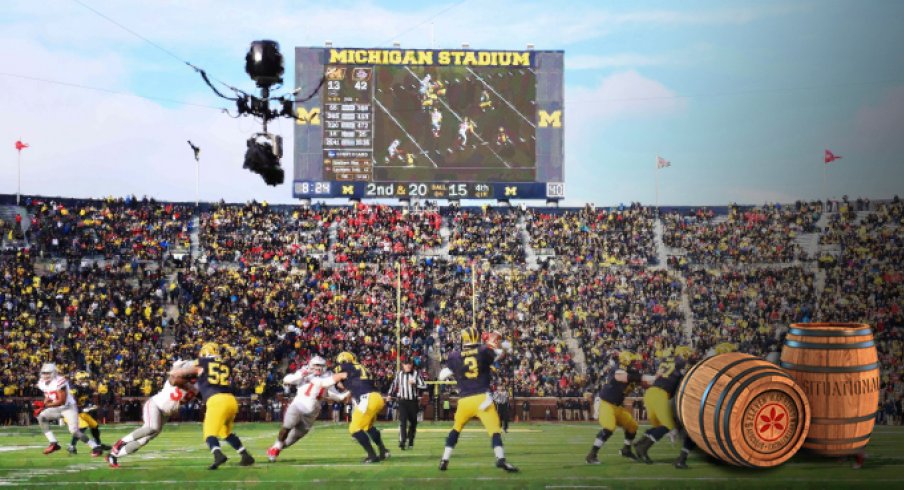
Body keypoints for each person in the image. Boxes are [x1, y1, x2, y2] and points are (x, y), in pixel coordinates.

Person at [437, 327, 518, 472]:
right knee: (494, 430)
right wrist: (503, 346)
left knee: (456, 429)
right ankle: (500, 459)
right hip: (482, 398)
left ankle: (444, 459)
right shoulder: (483, 351)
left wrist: (456, 371)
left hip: (465, 400)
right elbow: (500, 354)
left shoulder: (455, 356)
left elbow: (442, 375)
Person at [171, 342, 254, 469]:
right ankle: (245, 455)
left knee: (209, 432)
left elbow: (180, 374)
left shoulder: (202, 362)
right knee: (225, 432)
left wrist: (175, 372)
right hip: (231, 400)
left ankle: (218, 455)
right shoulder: (225, 363)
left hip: (216, 400)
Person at [105, 360, 199, 468]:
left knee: (144, 440)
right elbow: (174, 375)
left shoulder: (197, 386)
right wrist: (186, 368)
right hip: (155, 405)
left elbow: (202, 393)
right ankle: (120, 443)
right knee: (151, 427)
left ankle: (113, 456)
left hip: (166, 413)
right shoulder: (175, 379)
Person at [267, 356, 349, 462]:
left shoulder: (328, 377)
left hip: (311, 414)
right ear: (311, 365)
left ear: (325, 366)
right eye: (316, 365)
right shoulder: (305, 372)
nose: (318, 368)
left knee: (291, 440)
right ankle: (276, 447)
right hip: (298, 406)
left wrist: (349, 391)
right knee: (287, 426)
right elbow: (287, 379)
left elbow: (338, 396)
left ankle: (275, 448)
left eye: (320, 366)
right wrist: (302, 374)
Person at [633, 347, 693, 465]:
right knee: (668, 425)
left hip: (651, 393)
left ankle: (641, 442)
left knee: (660, 426)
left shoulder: (666, 360)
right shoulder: (682, 363)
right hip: (661, 394)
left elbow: (661, 375)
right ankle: (643, 447)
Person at [585, 352, 642, 464]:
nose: (637, 364)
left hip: (616, 405)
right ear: (626, 361)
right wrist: (641, 377)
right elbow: (623, 377)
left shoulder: (632, 372)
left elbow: (643, 381)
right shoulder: (620, 369)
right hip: (605, 403)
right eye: (634, 361)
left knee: (632, 426)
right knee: (609, 427)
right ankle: (591, 455)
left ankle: (626, 450)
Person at [35, 363, 102, 456]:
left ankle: (95, 447)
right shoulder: (41, 382)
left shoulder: (59, 381)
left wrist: (46, 405)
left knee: (74, 431)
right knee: (41, 417)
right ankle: (53, 443)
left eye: (48, 373)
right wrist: (44, 402)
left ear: (54, 373)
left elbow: (61, 401)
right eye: (44, 373)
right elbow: (48, 395)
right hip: (57, 408)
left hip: (68, 408)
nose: (46, 375)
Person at [334, 351, 389, 463]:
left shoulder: (346, 366)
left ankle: (372, 455)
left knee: (354, 428)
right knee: (368, 427)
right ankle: (383, 450)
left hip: (367, 399)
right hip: (377, 397)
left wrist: (323, 382)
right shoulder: (361, 367)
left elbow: (337, 376)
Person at [64, 371, 111, 454]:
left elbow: (88, 400)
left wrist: (91, 405)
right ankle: (72, 446)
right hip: (72, 413)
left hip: (81, 412)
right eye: (83, 379)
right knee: (82, 427)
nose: (85, 381)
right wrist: (83, 409)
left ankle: (98, 444)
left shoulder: (87, 389)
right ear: (77, 380)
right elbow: (71, 404)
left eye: (86, 379)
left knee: (95, 426)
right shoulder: (73, 389)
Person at [389, 358, 427, 450]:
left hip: (413, 402)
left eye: (409, 363)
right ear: (403, 365)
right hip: (402, 401)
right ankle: (402, 441)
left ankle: (410, 440)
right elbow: (394, 385)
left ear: (412, 365)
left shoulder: (416, 374)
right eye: (406, 364)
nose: (408, 365)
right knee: (403, 421)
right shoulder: (399, 374)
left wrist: (415, 384)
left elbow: (424, 385)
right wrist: (389, 394)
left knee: (413, 423)